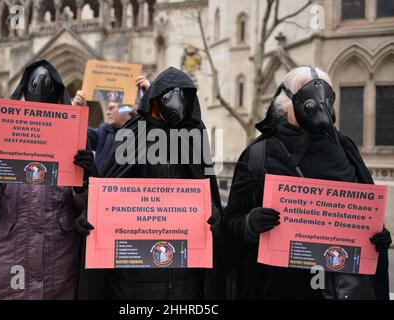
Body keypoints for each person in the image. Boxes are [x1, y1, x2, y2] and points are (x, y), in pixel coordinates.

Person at [224, 66, 391, 300]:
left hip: (342, 287)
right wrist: (250, 223)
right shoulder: (259, 154)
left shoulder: (345, 148)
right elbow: (231, 221)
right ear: (285, 103)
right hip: (279, 288)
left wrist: (378, 236)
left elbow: (366, 210)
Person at [76, 67, 225, 300]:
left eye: (182, 96)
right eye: (168, 95)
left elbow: (207, 188)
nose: (176, 103)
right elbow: (110, 189)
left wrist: (214, 212)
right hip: (134, 279)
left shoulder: (195, 134)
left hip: (186, 278)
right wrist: (94, 212)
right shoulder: (134, 132)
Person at [0, 60, 94, 300]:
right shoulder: (2, 136)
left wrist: (85, 178)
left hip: (59, 269)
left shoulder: (74, 140)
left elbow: (83, 207)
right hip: (6, 266)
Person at [72, 75, 151, 175]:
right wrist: (77, 110)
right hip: (102, 189)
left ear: (126, 109)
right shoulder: (103, 132)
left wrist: (149, 94)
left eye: (111, 108)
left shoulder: (143, 132)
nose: (107, 112)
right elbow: (78, 134)